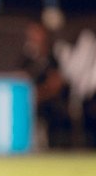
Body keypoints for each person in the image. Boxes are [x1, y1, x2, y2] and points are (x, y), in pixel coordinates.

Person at [19, 21, 72, 149]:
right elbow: (20, 77)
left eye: (36, 34)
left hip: (49, 101)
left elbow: (56, 83)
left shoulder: (51, 56)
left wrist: (39, 95)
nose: (33, 37)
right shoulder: (27, 57)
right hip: (28, 100)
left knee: (53, 112)